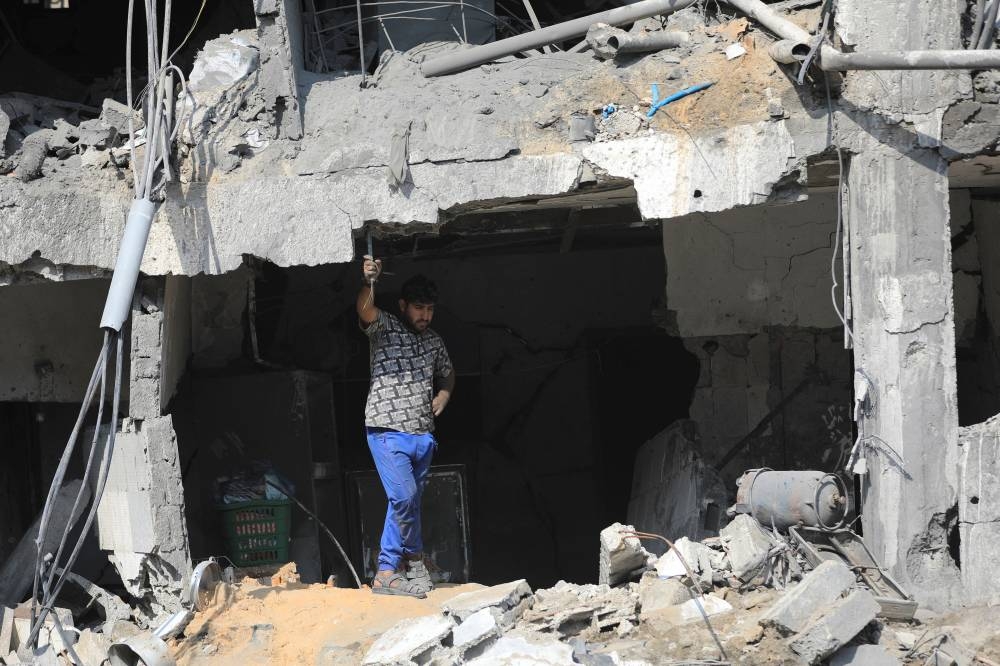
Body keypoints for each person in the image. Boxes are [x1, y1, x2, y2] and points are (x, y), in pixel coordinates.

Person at [357, 254, 455, 598]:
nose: (424, 316)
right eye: (418, 308)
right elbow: (365, 310)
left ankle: (413, 565)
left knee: (407, 504)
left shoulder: (434, 341)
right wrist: (369, 281)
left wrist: (443, 395)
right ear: (403, 306)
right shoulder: (385, 327)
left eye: (429, 309)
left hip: (422, 435)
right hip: (386, 430)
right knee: (403, 496)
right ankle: (386, 571)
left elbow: (447, 373)